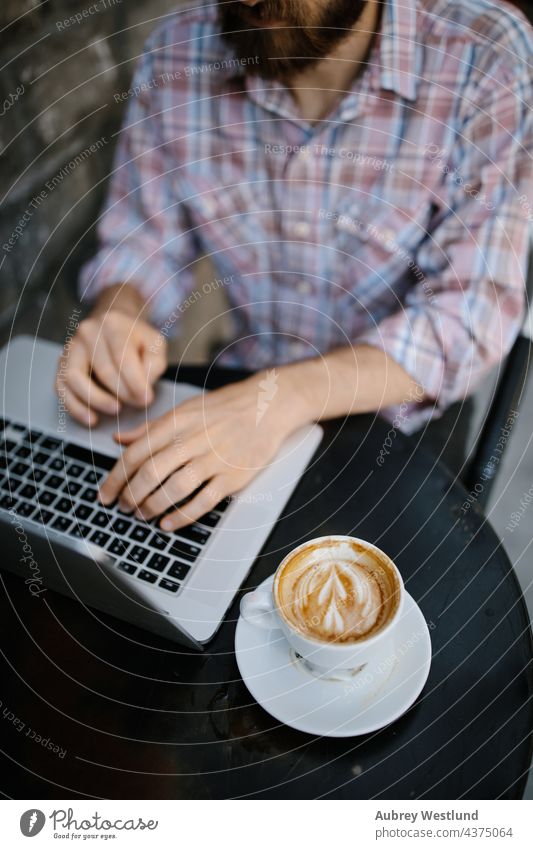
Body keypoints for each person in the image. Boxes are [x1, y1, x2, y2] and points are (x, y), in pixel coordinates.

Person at [56, 0, 533, 531]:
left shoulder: (483, 56)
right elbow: (143, 237)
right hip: (245, 378)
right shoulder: (178, 52)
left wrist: (283, 399)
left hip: (400, 416)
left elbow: (468, 315)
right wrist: (120, 312)